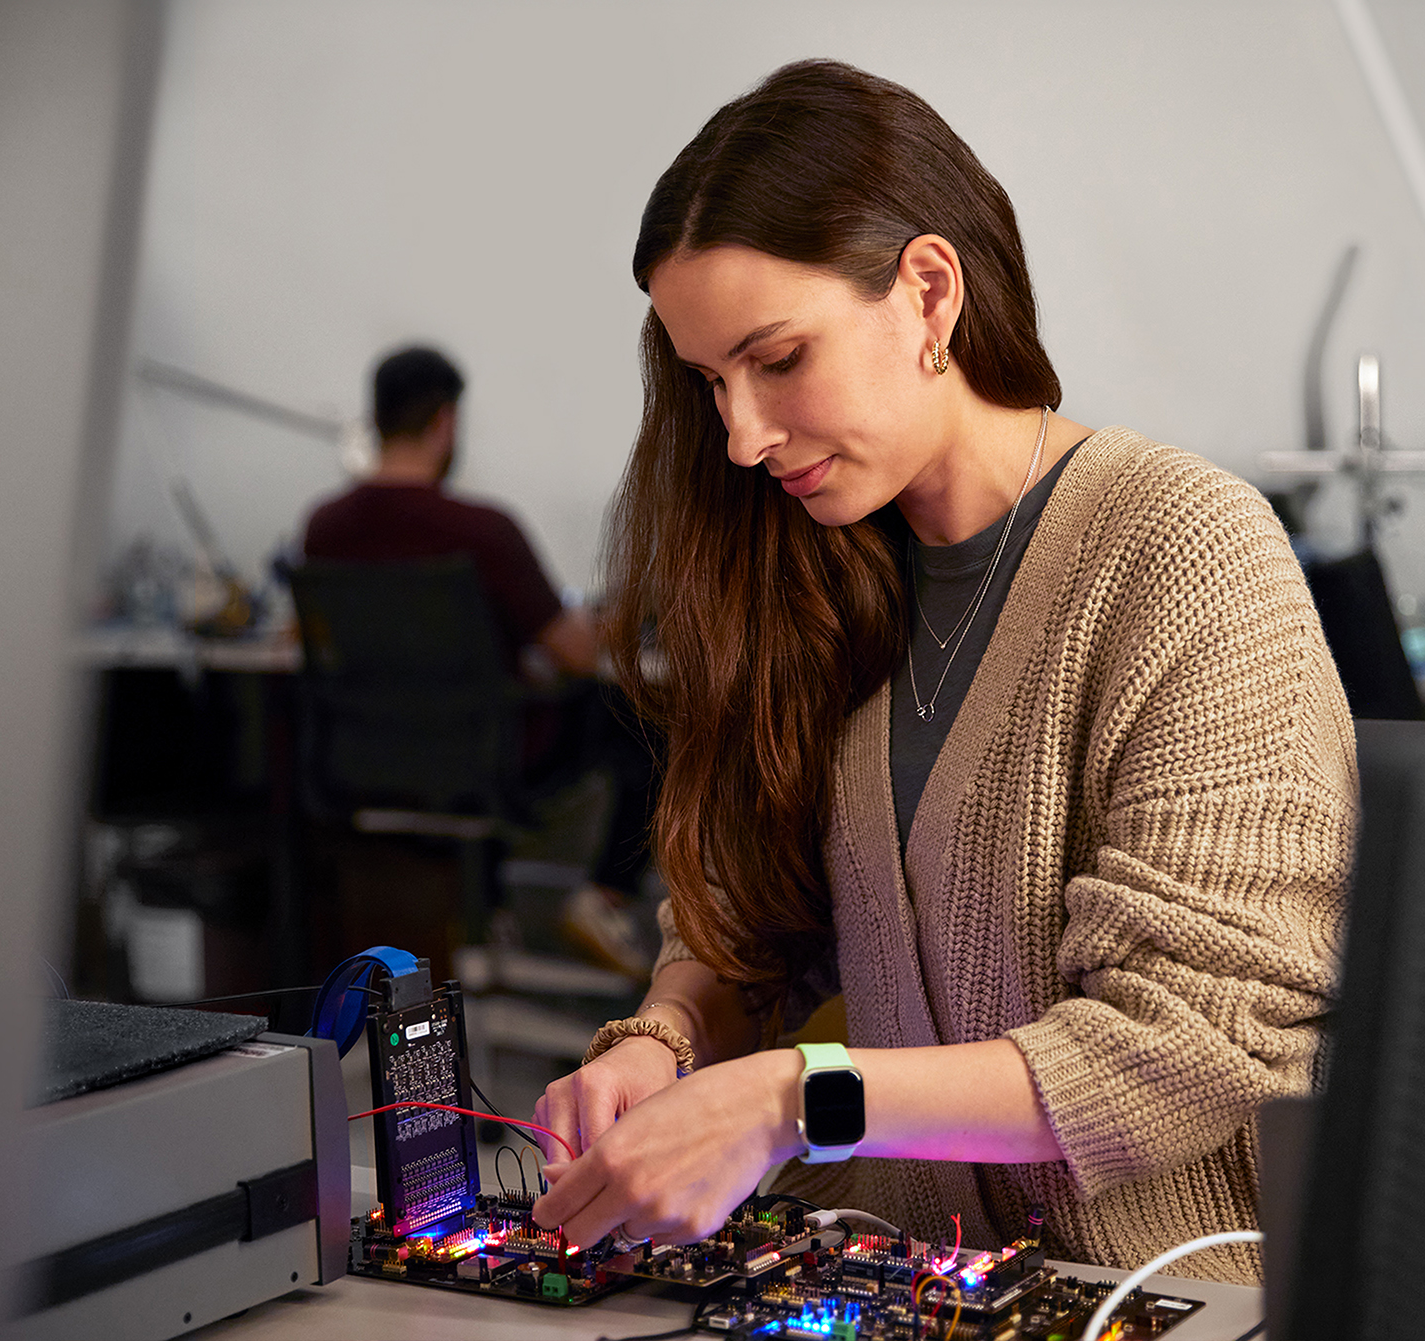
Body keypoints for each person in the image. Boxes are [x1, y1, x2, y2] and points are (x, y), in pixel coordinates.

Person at [528, 61, 1355, 1285]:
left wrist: (792, 1100)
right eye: (711, 383)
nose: (743, 438)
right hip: (906, 1280)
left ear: (927, 292)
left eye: (779, 359)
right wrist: (665, 1040)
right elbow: (751, 928)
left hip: (1157, 1289)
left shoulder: (1183, 552)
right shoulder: (823, 571)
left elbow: (1195, 1042)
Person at [301, 345, 656, 975]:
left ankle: (492, 914)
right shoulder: (482, 529)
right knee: (647, 720)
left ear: (376, 418)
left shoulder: (324, 527)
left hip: (372, 758)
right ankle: (603, 897)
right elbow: (574, 654)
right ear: (445, 422)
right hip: (489, 757)